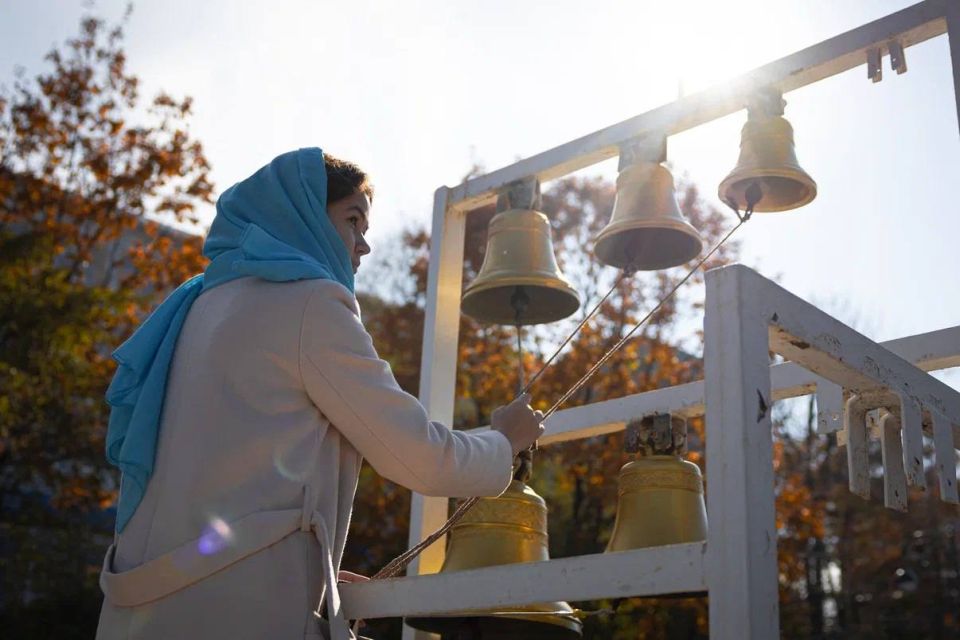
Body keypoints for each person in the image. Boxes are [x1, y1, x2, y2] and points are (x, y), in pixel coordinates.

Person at [95, 148, 544, 640]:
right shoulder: (311, 301)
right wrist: (504, 442)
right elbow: (418, 457)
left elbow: (219, 483)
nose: (363, 245)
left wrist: (312, 571)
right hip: (235, 613)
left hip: (145, 611)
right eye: (353, 220)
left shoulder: (196, 307)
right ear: (302, 213)